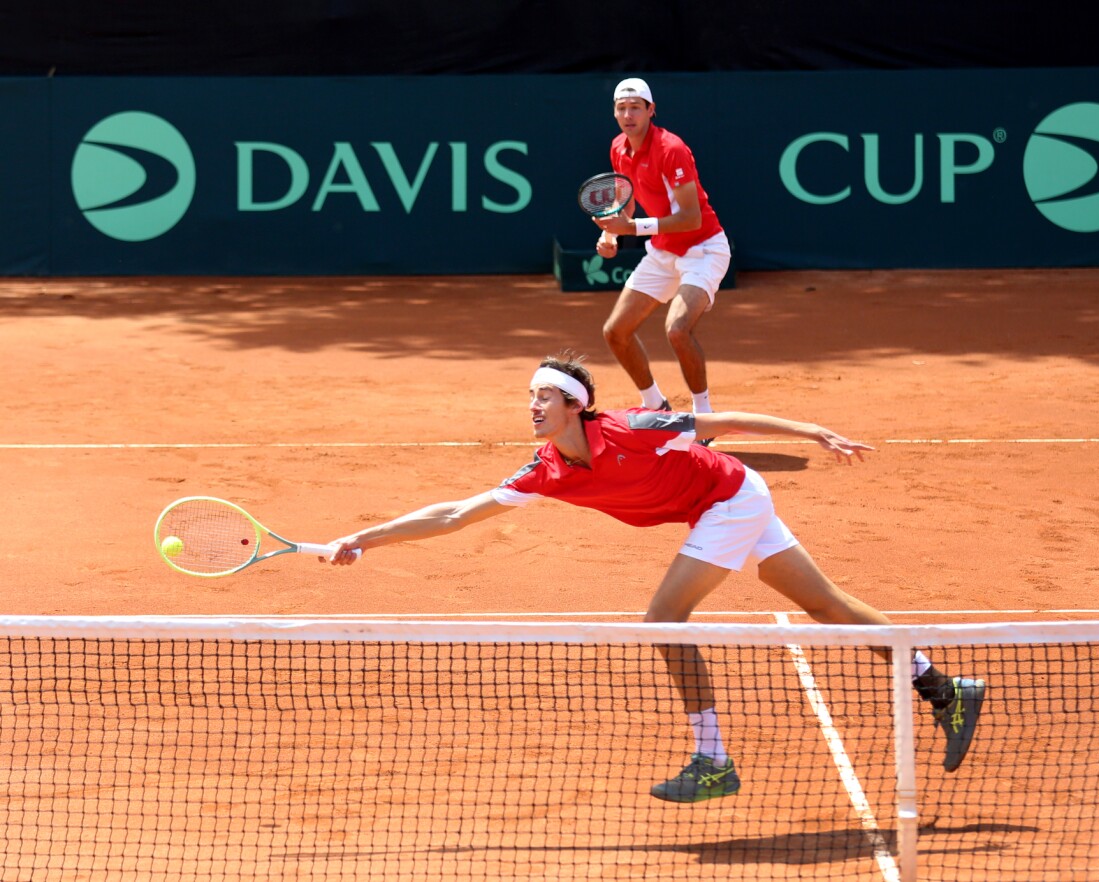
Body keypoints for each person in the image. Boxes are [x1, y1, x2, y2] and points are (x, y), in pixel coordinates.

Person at [323, 352, 986, 803]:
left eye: (545, 396)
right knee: (826, 605)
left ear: (576, 405)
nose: (532, 405)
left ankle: (712, 761)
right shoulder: (546, 469)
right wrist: (365, 537)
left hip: (730, 499)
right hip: (721, 504)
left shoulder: (632, 428)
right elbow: (457, 513)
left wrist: (813, 430)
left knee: (663, 621)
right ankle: (944, 687)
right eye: (530, 396)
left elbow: (719, 422)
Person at [593, 78, 731, 438]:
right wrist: (611, 234)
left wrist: (632, 229)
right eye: (621, 108)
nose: (628, 115)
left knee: (677, 329)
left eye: (636, 107)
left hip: (703, 249)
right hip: (663, 251)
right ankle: (656, 407)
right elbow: (626, 202)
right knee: (616, 332)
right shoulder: (618, 148)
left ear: (651, 111)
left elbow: (691, 218)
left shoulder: (672, 149)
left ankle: (704, 416)